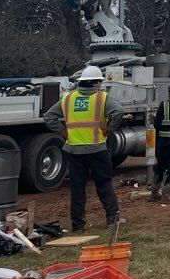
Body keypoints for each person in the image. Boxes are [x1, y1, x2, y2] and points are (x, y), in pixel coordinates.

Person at [43, 65, 123, 232]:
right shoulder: (102, 98)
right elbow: (118, 112)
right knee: (104, 184)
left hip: (74, 151)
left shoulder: (67, 98)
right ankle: (112, 220)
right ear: (95, 83)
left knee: (77, 188)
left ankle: (78, 225)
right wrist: (109, 129)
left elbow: (49, 116)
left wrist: (63, 132)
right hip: (97, 150)